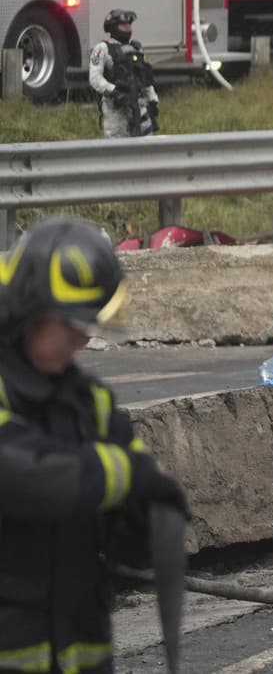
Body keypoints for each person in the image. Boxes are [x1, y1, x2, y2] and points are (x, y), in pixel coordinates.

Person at [0, 218, 189, 674]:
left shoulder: (90, 403)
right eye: (71, 323)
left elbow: (140, 511)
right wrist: (124, 477)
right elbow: (31, 478)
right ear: (29, 310)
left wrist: (144, 518)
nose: (83, 338)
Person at [87, 9, 158, 138]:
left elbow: (145, 78)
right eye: (123, 25)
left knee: (146, 145)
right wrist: (115, 92)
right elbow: (95, 78)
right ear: (113, 27)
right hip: (116, 111)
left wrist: (152, 100)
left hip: (140, 107)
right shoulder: (102, 49)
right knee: (118, 146)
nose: (128, 28)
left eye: (129, 25)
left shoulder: (136, 49)